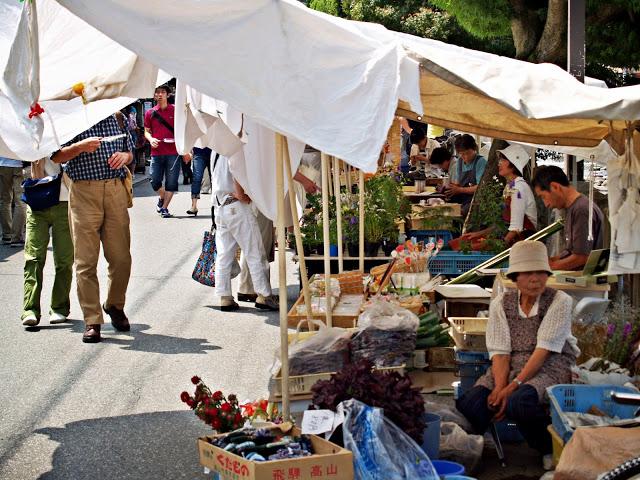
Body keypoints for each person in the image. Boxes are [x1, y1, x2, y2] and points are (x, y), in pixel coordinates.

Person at [456, 240, 578, 458]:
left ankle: (550, 449)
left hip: (551, 366)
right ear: (515, 277)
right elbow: (501, 352)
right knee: (472, 403)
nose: (535, 279)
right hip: (511, 365)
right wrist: (499, 388)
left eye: (541, 272)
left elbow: (543, 351)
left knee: (519, 402)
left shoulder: (560, 301)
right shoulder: (502, 303)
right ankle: (470, 449)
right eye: (528, 273)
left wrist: (511, 389)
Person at [51, 114, 134, 343]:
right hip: (83, 191)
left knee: (121, 258)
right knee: (85, 261)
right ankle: (92, 320)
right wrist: (79, 147)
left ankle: (114, 305)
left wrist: (125, 157)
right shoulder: (70, 118)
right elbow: (56, 156)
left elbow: (130, 151)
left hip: (115, 190)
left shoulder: (118, 117)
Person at [212, 154, 278, 311]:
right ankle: (264, 295)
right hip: (235, 204)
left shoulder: (216, 149)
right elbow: (236, 170)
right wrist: (242, 194)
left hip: (220, 205)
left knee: (224, 254)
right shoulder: (233, 148)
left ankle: (225, 297)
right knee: (254, 250)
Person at [21, 157, 73, 327]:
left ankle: (59, 307)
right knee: (33, 258)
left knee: (64, 260)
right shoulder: (34, 134)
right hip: (38, 198)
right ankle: (30, 309)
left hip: (65, 202)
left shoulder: (71, 134)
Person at [460, 144, 537, 247]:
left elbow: (516, 228)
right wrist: (478, 234)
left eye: (503, 161)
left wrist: (498, 247)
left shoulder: (518, 189)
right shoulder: (510, 186)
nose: (499, 164)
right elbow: (503, 225)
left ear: (513, 165)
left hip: (522, 243)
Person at [532, 165, 604, 271]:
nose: (546, 204)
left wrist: (548, 267)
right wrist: (551, 260)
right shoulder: (573, 208)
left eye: (543, 197)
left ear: (555, 187)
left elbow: (581, 257)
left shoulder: (581, 209)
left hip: (585, 284)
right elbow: (571, 251)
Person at [144, 85, 185, 218]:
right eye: (157, 93)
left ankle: (165, 208)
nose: (160, 94)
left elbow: (183, 129)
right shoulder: (150, 113)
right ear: (155, 96)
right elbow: (146, 131)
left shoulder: (175, 111)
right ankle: (162, 197)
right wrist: (150, 139)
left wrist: (186, 150)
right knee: (154, 180)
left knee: (171, 182)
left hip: (173, 152)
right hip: (156, 152)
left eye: (162, 92)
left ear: (168, 95)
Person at [446, 134, 487, 217]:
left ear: (474, 149)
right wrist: (449, 189)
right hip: (463, 198)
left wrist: (460, 190)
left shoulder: (480, 161)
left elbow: (480, 187)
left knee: (461, 212)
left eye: (467, 153)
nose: (465, 157)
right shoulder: (459, 162)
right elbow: (458, 184)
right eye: (462, 154)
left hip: (475, 200)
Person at [0, 156, 27, 247]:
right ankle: (16, 238)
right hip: (19, 164)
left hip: (2, 164)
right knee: (20, 201)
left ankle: (7, 235)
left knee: (5, 200)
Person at [186, 147, 212, 216]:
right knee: (197, 178)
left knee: (214, 179)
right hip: (198, 152)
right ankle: (194, 206)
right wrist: (188, 151)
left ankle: (217, 205)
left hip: (213, 152)